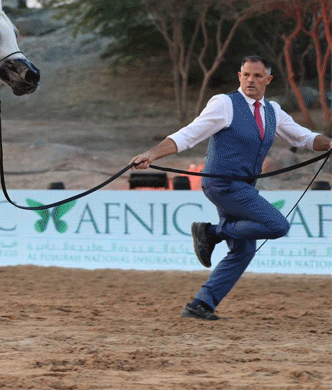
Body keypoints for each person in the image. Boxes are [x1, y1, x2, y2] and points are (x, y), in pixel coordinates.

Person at [130, 55, 332, 321]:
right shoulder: (225, 104)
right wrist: (152, 154)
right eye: (246, 74)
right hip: (222, 184)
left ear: (268, 80)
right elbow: (189, 134)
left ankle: (200, 305)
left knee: (244, 250)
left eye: (257, 76)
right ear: (239, 76)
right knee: (278, 226)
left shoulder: (272, 111)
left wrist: (329, 143)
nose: (251, 80)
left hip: (243, 186)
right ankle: (212, 232)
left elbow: (304, 138)